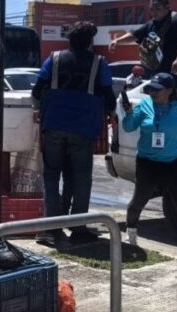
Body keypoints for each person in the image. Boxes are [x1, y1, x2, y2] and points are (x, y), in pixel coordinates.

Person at [31, 21, 116, 247]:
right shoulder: (99, 63)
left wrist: (41, 110)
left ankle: (50, 229)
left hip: (54, 125)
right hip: (83, 128)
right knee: (81, 177)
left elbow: (37, 91)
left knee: (51, 176)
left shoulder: (54, 59)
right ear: (90, 42)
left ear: (69, 40)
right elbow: (109, 97)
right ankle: (78, 228)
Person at [120, 72, 177, 261]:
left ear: (169, 91)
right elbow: (129, 126)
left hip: (173, 163)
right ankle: (131, 231)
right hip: (147, 163)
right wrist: (129, 113)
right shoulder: (144, 106)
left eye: (157, 90)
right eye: (150, 89)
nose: (152, 93)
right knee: (139, 200)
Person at [110, 0, 177, 102]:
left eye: (158, 9)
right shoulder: (151, 24)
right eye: (152, 9)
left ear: (167, 7)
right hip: (159, 73)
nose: (154, 12)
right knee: (158, 103)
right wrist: (117, 41)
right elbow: (135, 35)